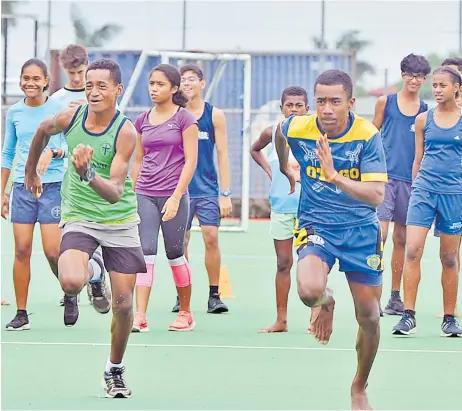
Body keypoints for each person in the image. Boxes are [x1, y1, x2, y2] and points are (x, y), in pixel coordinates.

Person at [25, 58, 145, 397]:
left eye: (101, 86)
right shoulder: (70, 116)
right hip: (79, 216)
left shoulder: (125, 132)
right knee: (70, 281)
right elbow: (40, 132)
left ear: (118, 90)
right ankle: (94, 275)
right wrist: (31, 172)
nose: (93, 92)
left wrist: (88, 173)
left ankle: (115, 369)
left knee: (123, 305)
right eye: (89, 85)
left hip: (119, 220)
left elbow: (115, 193)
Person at [276, 69, 387, 410]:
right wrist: (285, 165)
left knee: (369, 316)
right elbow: (277, 134)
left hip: (360, 231)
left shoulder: (366, 136)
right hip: (317, 225)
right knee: (309, 292)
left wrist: (334, 176)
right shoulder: (299, 126)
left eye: (335, 101)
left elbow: (376, 195)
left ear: (350, 104)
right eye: (321, 100)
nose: (326, 108)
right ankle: (327, 301)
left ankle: (359, 385)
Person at [392, 66, 462, 337]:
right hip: (423, 191)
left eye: (442, 85)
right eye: (434, 85)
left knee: (449, 257)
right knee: (412, 250)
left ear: (456, 87)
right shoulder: (423, 120)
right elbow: (418, 159)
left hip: (454, 194)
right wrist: (414, 188)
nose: (437, 89)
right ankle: (408, 315)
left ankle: (449, 318)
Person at [1, 58, 68, 330]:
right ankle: (21, 312)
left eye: (35, 79)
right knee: (21, 249)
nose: (30, 83)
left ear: (45, 82)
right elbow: (7, 154)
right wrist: (2, 192)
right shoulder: (15, 113)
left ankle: (69, 290)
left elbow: (66, 145)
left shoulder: (58, 110)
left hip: (52, 187)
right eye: (25, 78)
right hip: (22, 188)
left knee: (53, 251)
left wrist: (51, 152)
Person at [131, 64, 199, 332]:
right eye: (151, 84)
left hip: (174, 195)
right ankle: (139, 315)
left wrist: (176, 196)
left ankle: (185, 313)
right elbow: (138, 159)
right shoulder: (142, 120)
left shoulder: (185, 119)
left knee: (174, 253)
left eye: (160, 84)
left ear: (174, 88)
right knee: (145, 252)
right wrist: (133, 191)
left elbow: (190, 161)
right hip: (145, 194)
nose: (154, 89)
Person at [50, 44, 111, 314]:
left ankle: (95, 276)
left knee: (102, 236)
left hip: (99, 178)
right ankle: (73, 289)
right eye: (72, 73)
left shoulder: (100, 95)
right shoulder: (57, 100)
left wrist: (89, 107)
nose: (77, 78)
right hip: (66, 181)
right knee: (60, 245)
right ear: (64, 70)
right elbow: (52, 139)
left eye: (80, 72)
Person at [169, 63, 231, 314]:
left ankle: (214, 295)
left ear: (202, 83)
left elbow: (223, 154)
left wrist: (225, 194)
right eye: (183, 80)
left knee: (211, 237)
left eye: (192, 79)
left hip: (207, 189)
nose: (187, 83)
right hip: (180, 189)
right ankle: (180, 294)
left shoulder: (214, 115)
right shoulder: (174, 114)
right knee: (179, 242)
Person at [373, 54, 430, 316]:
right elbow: (371, 136)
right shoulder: (386, 102)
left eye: (420, 76)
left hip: (411, 181)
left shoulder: (426, 111)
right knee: (379, 237)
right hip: (385, 179)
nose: (415, 80)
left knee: (401, 239)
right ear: (402, 75)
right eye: (410, 75)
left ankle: (395, 297)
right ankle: (373, 294)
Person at [250, 86, 308, 332]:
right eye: (289, 105)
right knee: (283, 263)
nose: (294, 109)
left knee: (312, 263)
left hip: (310, 210)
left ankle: (317, 315)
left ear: (307, 108)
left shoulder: (317, 134)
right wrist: (270, 170)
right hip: (282, 208)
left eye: (299, 105)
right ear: (281, 107)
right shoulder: (273, 132)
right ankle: (281, 320)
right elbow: (255, 149)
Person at [434, 57, 462, 318]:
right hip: (445, 190)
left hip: (456, 188)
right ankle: (450, 308)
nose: (439, 88)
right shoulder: (433, 117)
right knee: (452, 253)